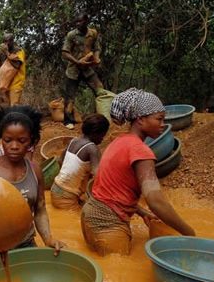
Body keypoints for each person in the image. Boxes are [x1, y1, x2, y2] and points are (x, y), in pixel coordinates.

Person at [82, 88, 195, 256]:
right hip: (108, 225)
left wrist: (141, 212)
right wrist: (190, 234)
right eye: (159, 119)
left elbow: (113, 189)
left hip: (89, 216)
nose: (163, 124)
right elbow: (155, 201)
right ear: (141, 120)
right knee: (120, 275)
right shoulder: (140, 151)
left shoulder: (118, 142)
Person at [0, 105, 65, 264]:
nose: (14, 146)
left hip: (26, 244)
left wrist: (48, 239)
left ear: (32, 141)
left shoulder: (35, 170)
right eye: (7, 140)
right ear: (1, 139)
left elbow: (40, 209)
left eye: (22, 141)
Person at [51, 113, 109, 210]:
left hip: (55, 189)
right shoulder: (92, 148)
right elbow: (98, 175)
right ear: (95, 133)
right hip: (66, 196)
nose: (102, 139)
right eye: (102, 136)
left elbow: (60, 161)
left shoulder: (73, 141)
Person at [61, 14, 103, 130]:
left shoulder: (93, 33)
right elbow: (65, 52)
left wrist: (96, 58)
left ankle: (101, 117)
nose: (78, 24)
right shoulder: (72, 35)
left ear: (86, 21)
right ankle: (68, 121)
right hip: (73, 69)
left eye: (80, 22)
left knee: (100, 89)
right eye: (76, 22)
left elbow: (97, 48)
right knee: (70, 96)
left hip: (87, 68)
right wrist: (77, 62)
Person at [0, 33, 26, 106]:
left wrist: (6, 52)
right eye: (5, 41)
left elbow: (16, 65)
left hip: (16, 82)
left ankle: (18, 117)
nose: (7, 43)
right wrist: (1, 81)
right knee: (10, 106)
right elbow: (0, 66)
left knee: (14, 106)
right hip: (6, 84)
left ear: (13, 41)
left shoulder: (19, 51)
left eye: (9, 41)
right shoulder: (1, 52)